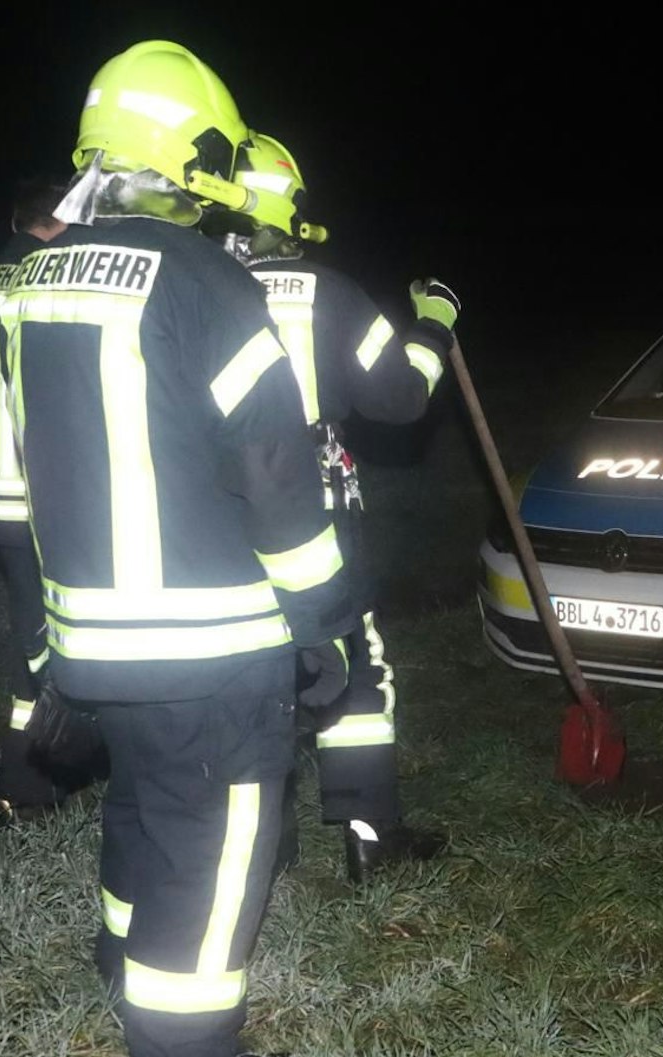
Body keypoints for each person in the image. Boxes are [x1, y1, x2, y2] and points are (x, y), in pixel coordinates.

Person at [0, 40, 355, 1057]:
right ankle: (179, 1035)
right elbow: (278, 477)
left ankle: (118, 958)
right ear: (195, 158)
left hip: (89, 643)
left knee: (145, 806)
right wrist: (324, 625)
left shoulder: (30, 279)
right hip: (212, 653)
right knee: (211, 864)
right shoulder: (210, 285)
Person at [211, 129, 455, 882]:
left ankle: (262, 838)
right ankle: (367, 832)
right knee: (352, 657)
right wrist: (435, 326)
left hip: (214, 506)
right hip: (314, 502)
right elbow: (401, 396)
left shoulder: (190, 288)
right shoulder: (330, 289)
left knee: (251, 658)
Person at [0, 177, 107, 827]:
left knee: (33, 642)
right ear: (58, 221)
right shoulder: (46, 278)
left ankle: (26, 785)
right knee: (69, 645)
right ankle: (46, 774)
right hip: (49, 494)